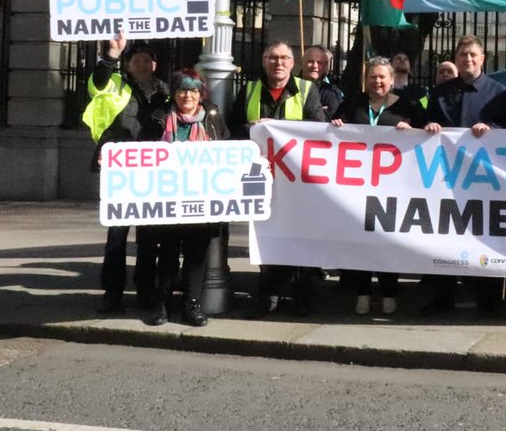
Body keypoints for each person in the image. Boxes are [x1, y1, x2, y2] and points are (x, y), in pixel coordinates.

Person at [422, 35, 506, 316]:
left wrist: (490, 128)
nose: (468, 59)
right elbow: (426, 123)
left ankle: (487, 302)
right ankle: (443, 298)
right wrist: (428, 127)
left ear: (483, 58)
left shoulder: (499, 93)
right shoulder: (440, 93)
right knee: (444, 238)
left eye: (473, 55)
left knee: (482, 239)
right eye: (463, 55)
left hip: (483, 181)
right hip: (445, 179)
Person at [229, 40, 327, 317]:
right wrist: (251, 128)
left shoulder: (307, 89)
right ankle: (269, 291)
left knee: (300, 234)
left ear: (292, 63)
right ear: (264, 61)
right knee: (267, 234)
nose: (278, 62)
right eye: (273, 57)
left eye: (284, 57)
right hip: (262, 176)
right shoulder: (249, 90)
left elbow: (318, 129)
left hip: (298, 178)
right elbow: (232, 128)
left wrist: (280, 129)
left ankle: (302, 294)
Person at [330, 57, 424, 316]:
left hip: (393, 187)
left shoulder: (408, 106)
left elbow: (429, 133)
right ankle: (362, 291)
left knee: (386, 240)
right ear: (366, 79)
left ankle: (389, 291)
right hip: (358, 185)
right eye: (373, 77)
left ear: (392, 80)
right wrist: (337, 126)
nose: (377, 81)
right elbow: (329, 131)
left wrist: (413, 129)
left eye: (382, 77)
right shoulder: (353, 103)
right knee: (361, 240)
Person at [83, 32, 169, 314]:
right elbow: (96, 83)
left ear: (154, 65)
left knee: (148, 237)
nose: (142, 64)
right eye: (136, 60)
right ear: (128, 64)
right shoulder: (115, 83)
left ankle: (145, 290)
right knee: (117, 235)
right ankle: (112, 292)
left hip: (152, 172)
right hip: (119, 170)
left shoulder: (165, 92)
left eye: (147, 60)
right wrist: (111, 56)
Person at [140, 69, 228, 327]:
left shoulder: (213, 119)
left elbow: (229, 151)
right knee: (167, 254)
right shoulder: (158, 119)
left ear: (201, 94)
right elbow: (138, 151)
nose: (187, 95)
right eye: (181, 90)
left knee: (196, 254)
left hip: (202, 199)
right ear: (174, 93)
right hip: (167, 198)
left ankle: (192, 304)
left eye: (193, 90)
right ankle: (161, 303)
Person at [301, 45, 344, 120]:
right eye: (310, 61)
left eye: (319, 63)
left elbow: (333, 118)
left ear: (325, 66)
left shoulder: (332, 92)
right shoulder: (289, 86)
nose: (315, 66)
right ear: (303, 62)